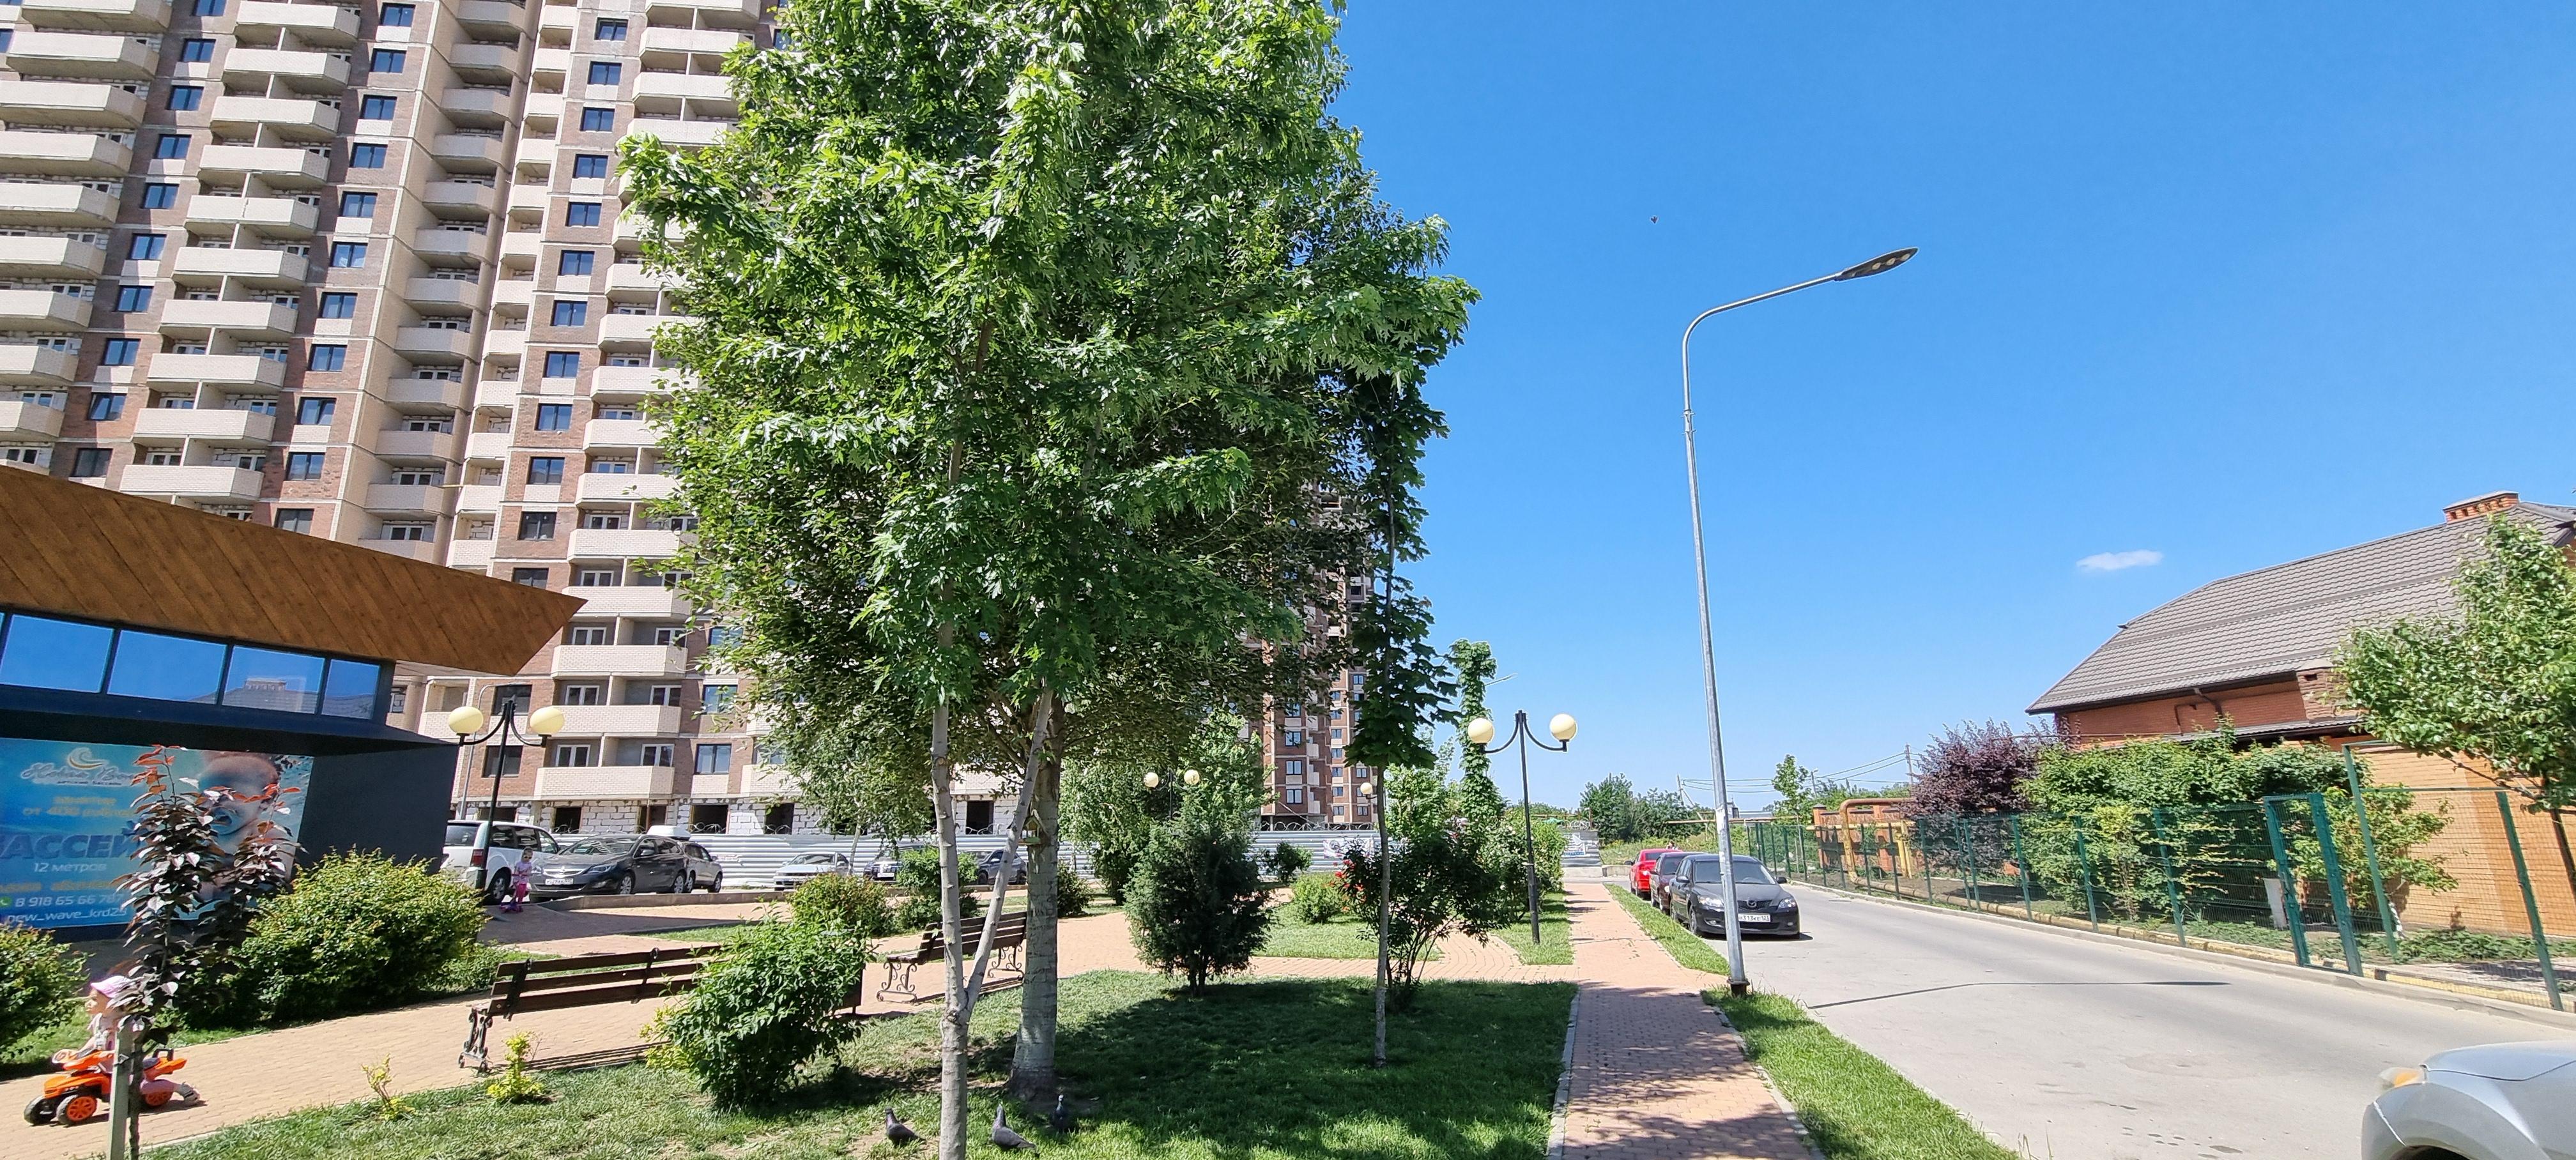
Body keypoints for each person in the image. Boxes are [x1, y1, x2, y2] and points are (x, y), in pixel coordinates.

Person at [55, 975, 133, 1063]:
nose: (88, 1004)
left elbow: (133, 1044)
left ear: (114, 1001)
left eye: (94, 999)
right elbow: (97, 1038)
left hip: (122, 1068)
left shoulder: (126, 1021)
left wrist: (112, 1053)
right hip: (102, 1067)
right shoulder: (98, 1019)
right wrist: (80, 1053)